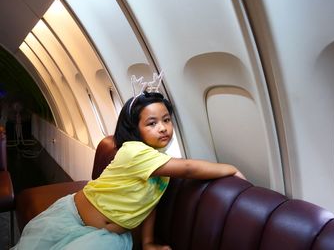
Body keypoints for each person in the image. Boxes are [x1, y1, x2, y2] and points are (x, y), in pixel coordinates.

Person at [12, 90, 245, 250]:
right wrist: (230, 168)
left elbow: (147, 205)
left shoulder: (158, 164)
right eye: (152, 123)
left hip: (109, 237)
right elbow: (188, 168)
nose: (163, 128)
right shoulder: (133, 151)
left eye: (166, 120)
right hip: (72, 218)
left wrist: (147, 243)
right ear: (135, 129)